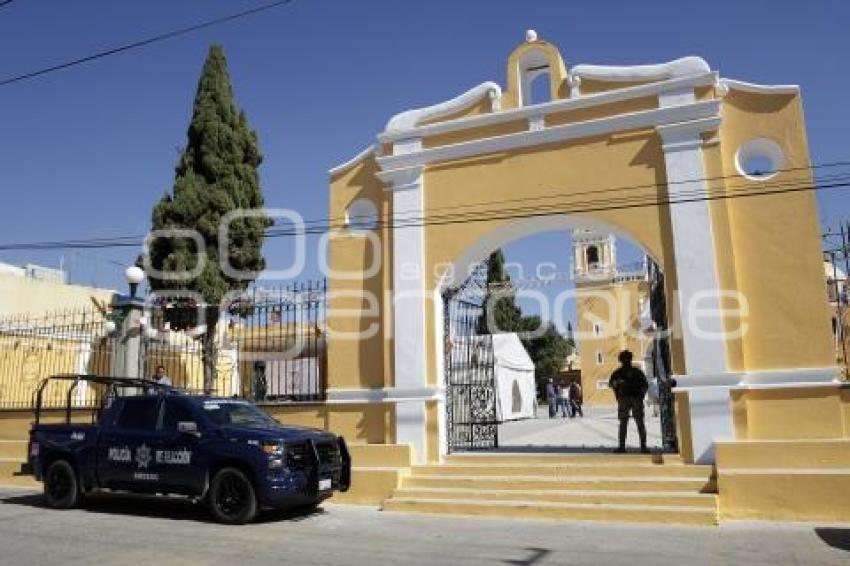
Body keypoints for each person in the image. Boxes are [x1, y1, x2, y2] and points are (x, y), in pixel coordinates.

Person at [608, 350, 649, 453]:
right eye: (625, 359)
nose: (626, 361)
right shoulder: (632, 372)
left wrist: (641, 395)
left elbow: (645, 385)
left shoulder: (622, 372)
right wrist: (618, 383)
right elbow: (611, 384)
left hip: (629, 399)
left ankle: (625, 447)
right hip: (628, 399)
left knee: (629, 423)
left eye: (627, 359)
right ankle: (640, 447)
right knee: (634, 423)